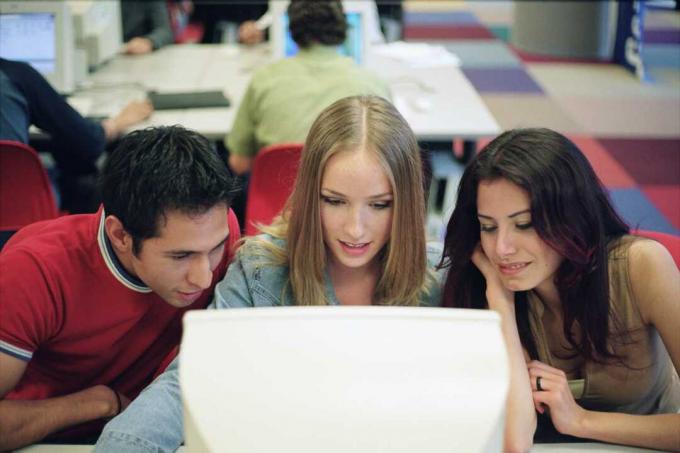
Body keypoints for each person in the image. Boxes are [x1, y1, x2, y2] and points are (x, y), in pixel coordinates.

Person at [94, 95, 442, 452]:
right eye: (334, 201)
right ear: (309, 196)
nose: (355, 229)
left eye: (380, 205)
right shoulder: (262, 270)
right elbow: (193, 379)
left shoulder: (439, 274)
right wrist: (123, 445)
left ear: (408, 202)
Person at [0, 126, 241, 450]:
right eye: (180, 256)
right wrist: (98, 404)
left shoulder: (213, 234)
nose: (204, 277)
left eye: (215, 249)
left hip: (157, 431)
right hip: (51, 441)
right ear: (120, 236)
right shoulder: (34, 271)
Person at [440, 128, 680, 452]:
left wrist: (580, 420)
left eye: (523, 224)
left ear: (569, 216)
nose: (501, 248)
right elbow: (515, 441)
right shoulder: (486, 285)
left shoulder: (642, 266)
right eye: (488, 226)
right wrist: (502, 304)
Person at [226, 0, 389, 176]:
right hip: (348, 198)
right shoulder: (372, 83)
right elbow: (387, 157)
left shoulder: (263, 80)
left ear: (291, 30)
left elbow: (239, 163)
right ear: (343, 29)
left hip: (281, 200)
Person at [0, 58, 152, 213]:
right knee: (83, 173)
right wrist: (117, 122)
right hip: (15, 213)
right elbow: (89, 141)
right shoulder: (13, 75)